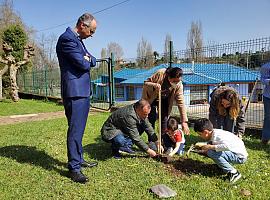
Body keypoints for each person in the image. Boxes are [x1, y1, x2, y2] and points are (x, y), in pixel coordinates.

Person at [56, 13, 98, 184]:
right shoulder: (67, 39)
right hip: (75, 92)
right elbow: (83, 63)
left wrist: (88, 59)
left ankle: (78, 159)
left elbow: (92, 59)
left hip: (82, 92)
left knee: (78, 130)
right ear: (82, 25)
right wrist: (87, 60)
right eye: (92, 31)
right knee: (75, 130)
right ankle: (74, 169)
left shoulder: (78, 40)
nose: (92, 35)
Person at [194, 118, 248, 183]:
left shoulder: (218, 136)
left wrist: (210, 147)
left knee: (211, 152)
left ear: (206, 132)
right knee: (212, 150)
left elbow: (227, 146)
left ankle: (234, 173)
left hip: (240, 157)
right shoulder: (214, 132)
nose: (200, 136)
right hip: (234, 153)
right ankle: (222, 166)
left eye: (200, 134)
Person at [142, 67, 190, 136]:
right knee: (151, 118)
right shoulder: (160, 73)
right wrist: (155, 85)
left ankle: (162, 140)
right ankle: (151, 140)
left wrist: (184, 121)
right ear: (169, 77)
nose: (176, 83)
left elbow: (181, 103)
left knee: (164, 119)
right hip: (152, 97)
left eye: (178, 81)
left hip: (164, 99)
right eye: (174, 81)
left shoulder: (179, 85)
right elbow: (146, 83)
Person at [260, 62, 270, 145]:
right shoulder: (266, 67)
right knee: (268, 117)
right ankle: (265, 138)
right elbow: (262, 79)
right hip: (268, 96)